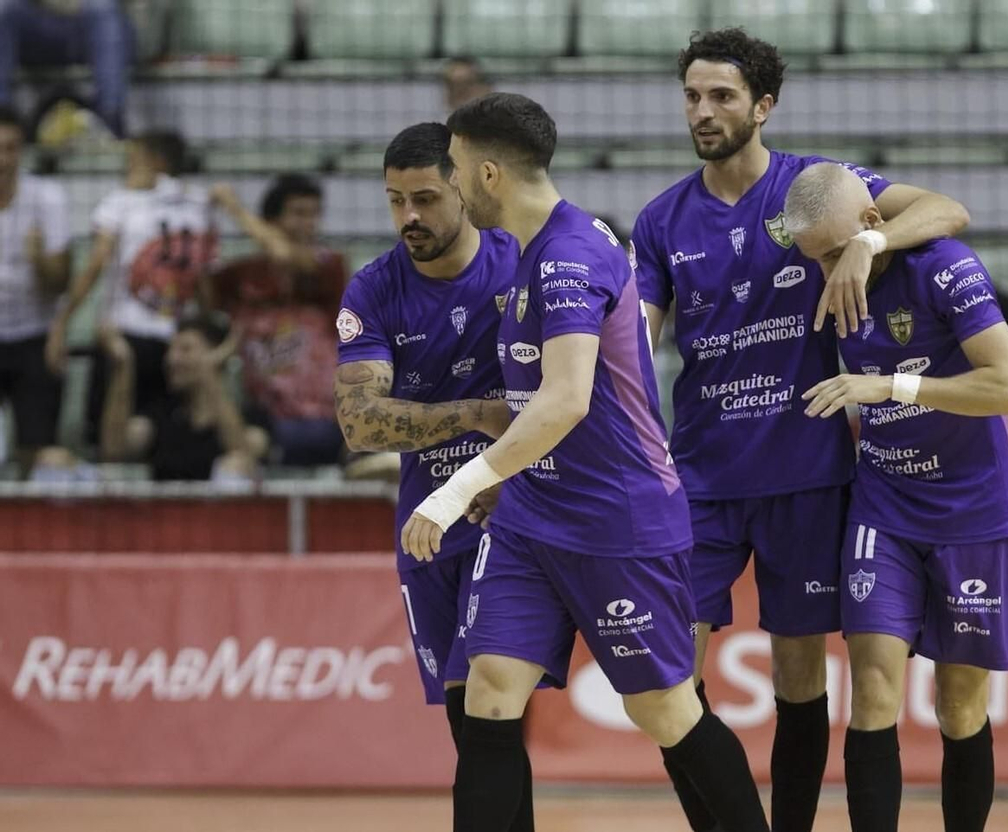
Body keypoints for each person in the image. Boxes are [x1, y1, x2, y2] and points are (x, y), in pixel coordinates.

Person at [631, 29, 971, 832]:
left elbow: (949, 210)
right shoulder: (661, 220)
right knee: (668, 677)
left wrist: (869, 241)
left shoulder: (816, 189)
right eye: (692, 96)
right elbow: (634, 345)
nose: (703, 110)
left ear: (763, 106)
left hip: (808, 476)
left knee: (799, 676)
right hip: (702, 479)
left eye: (721, 96)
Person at [404, 92, 770, 832]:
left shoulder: (570, 254)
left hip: (616, 519)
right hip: (531, 518)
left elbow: (565, 400)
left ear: (488, 173)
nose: (451, 184)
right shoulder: (532, 249)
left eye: (455, 168)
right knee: (490, 691)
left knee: (663, 710)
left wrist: (456, 489)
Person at [783, 163, 1008, 831]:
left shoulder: (944, 268)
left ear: (871, 225)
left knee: (958, 705)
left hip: (972, 508)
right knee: (872, 691)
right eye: (816, 259)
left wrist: (892, 387)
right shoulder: (823, 275)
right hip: (884, 505)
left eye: (837, 253)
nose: (829, 271)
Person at [333, 121, 526, 826]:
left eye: (424, 199)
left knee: (491, 702)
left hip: (510, 514)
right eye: (395, 201)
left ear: (462, 190)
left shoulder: (519, 261)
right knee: (469, 719)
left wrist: (507, 461)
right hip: (429, 520)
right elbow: (359, 424)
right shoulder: (375, 289)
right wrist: (474, 412)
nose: (408, 217)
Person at [45, 129, 215, 450]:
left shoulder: (121, 202)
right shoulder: (199, 205)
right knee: (162, 438)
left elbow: (96, 265)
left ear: (157, 163)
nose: (127, 168)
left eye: (133, 160)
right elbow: (204, 282)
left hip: (122, 338)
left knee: (107, 440)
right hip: (174, 342)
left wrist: (62, 321)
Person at [210, 174, 347, 466]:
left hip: (324, 416)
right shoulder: (241, 274)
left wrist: (233, 207)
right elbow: (203, 293)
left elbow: (284, 254)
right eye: (298, 214)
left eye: (314, 214)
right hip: (263, 416)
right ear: (271, 221)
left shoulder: (329, 265)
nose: (309, 223)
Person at [100, 313, 270, 481]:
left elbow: (242, 457)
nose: (172, 359)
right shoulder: (163, 414)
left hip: (223, 499)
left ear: (217, 354)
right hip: (167, 499)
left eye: (185, 349)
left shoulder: (251, 416)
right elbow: (113, 449)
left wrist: (209, 373)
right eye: (171, 350)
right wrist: (123, 365)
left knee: (235, 463)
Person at [0, 105, 69, 471]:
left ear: (22, 150)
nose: (2, 160)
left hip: (34, 332)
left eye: (10, 149)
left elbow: (60, 282)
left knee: (38, 450)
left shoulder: (48, 197)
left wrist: (39, 259)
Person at [0, 0, 132, 139]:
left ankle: (110, 124)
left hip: (82, 26)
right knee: (4, 8)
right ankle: (3, 120)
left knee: (103, 8)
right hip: (34, 26)